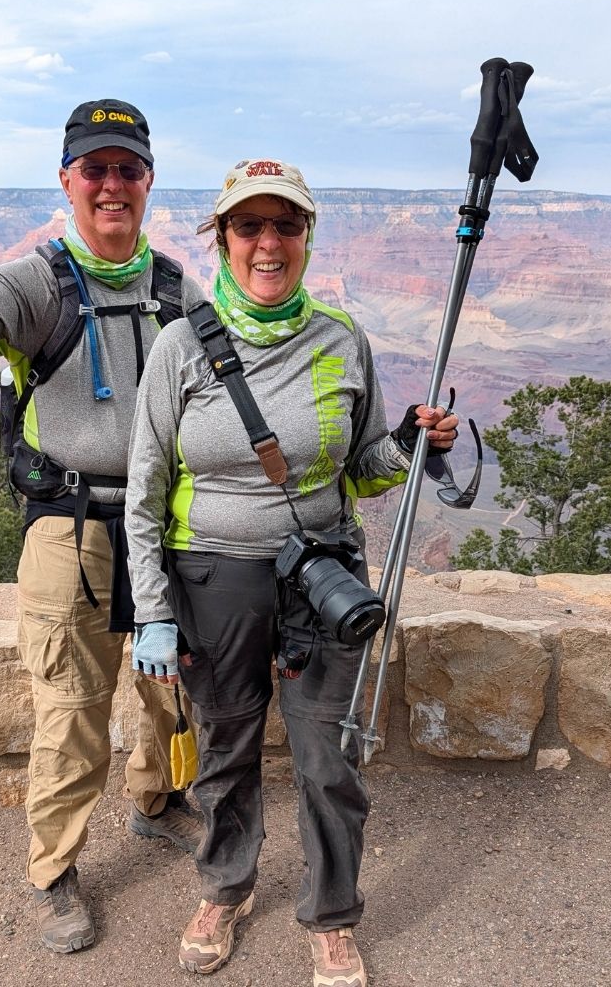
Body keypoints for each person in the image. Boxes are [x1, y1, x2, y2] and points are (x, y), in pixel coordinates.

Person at [0, 98, 206, 955]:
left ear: (148, 182)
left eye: (126, 168)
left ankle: (159, 803)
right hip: (71, 529)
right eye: (94, 168)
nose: (111, 184)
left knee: (171, 695)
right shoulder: (38, 281)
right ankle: (54, 872)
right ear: (66, 180)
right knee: (72, 712)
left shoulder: (174, 287)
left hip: (163, 527)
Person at [124, 158, 458, 986]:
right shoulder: (181, 345)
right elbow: (144, 491)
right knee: (225, 743)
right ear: (223, 239)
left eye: (286, 226)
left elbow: (368, 466)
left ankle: (332, 913)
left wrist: (413, 445)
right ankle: (225, 886)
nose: (268, 243)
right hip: (214, 579)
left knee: (328, 755)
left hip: (321, 575)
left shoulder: (344, 339)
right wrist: (154, 609)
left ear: (307, 237)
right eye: (249, 226)